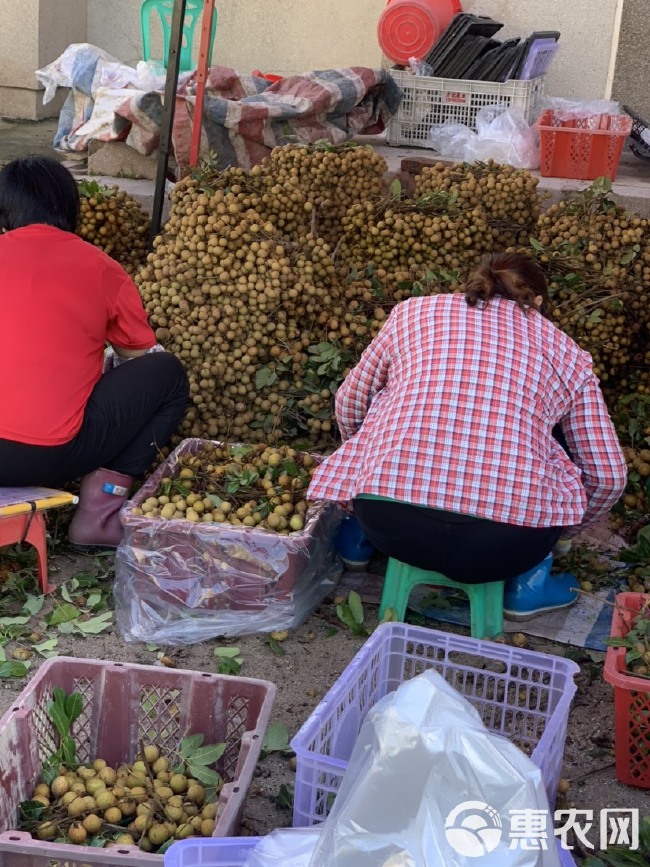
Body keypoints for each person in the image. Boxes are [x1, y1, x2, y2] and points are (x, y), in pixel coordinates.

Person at [308, 253, 628, 619]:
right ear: (537, 302)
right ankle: (527, 586)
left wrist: (362, 463)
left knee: (391, 414)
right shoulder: (567, 353)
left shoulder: (413, 314)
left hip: (388, 523)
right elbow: (608, 476)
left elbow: (350, 402)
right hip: (506, 546)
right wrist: (567, 528)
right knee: (543, 439)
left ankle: (358, 540)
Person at [0, 156, 189, 550]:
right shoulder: (100, 267)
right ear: (70, 208)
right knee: (167, 373)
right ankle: (97, 515)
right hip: (51, 457)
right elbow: (137, 357)